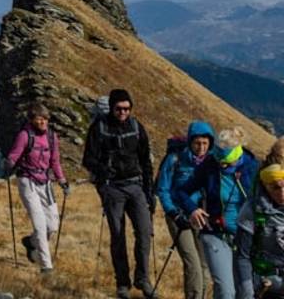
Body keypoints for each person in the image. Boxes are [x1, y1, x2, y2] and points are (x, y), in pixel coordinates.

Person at [84, 88, 158, 299]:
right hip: (112, 188)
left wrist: (149, 192)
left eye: (127, 108)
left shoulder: (137, 127)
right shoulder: (99, 128)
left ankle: (142, 279)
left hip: (135, 186)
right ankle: (122, 283)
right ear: (112, 108)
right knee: (118, 236)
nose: (123, 112)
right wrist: (102, 172)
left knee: (145, 232)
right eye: (119, 108)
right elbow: (87, 159)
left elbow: (146, 161)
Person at [174, 128, 258, 299]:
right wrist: (192, 209)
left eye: (226, 163)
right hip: (216, 233)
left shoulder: (253, 168)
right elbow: (180, 192)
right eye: (219, 161)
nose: (222, 166)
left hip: (246, 238)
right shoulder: (210, 165)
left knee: (246, 293)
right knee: (227, 292)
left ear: (237, 155)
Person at [3, 103, 69, 273]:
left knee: (52, 225)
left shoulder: (52, 138)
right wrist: (9, 163)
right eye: (39, 118)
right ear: (32, 120)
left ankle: (31, 242)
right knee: (40, 225)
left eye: (45, 118)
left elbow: (55, 161)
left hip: (45, 183)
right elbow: (14, 155)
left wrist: (61, 180)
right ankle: (46, 267)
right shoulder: (25, 136)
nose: (43, 122)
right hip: (27, 181)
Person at [156, 121, 216, 299]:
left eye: (205, 143)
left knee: (205, 265)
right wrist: (173, 213)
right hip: (179, 216)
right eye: (197, 143)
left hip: (202, 216)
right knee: (193, 263)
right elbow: (163, 189)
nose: (201, 147)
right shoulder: (175, 159)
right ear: (190, 142)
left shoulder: (211, 163)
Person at [236, 136, 284, 299]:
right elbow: (243, 256)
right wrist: (246, 294)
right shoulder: (253, 209)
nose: (282, 194)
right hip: (266, 290)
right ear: (265, 184)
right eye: (275, 187)